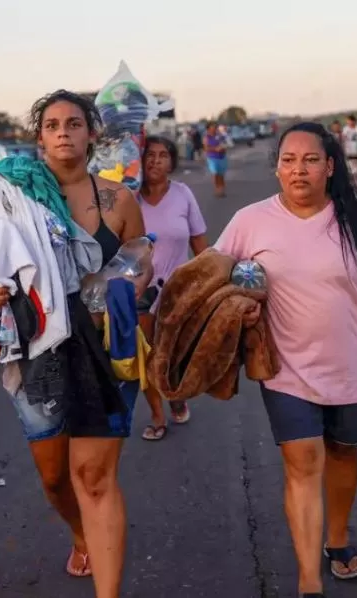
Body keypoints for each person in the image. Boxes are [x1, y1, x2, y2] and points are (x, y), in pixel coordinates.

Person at [213, 122, 357, 598]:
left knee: (342, 451)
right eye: (289, 160)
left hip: (348, 364)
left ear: (330, 167)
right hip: (284, 367)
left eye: (310, 160)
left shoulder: (356, 220)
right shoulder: (251, 221)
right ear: (277, 168)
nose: (299, 170)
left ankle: (338, 538)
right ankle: (309, 580)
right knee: (303, 461)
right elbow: (212, 276)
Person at [0, 89, 150, 598]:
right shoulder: (7, 196)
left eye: (73, 123)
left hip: (106, 349)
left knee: (93, 476)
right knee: (54, 479)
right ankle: (80, 532)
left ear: (92, 132)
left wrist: (133, 284)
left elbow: (139, 253)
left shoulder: (119, 199)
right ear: (40, 137)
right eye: (52, 125)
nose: (63, 132)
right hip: (38, 351)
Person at [137, 135, 209, 440]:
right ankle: (156, 415)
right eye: (149, 155)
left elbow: (200, 245)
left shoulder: (182, 194)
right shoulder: (128, 196)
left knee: (174, 353)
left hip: (177, 290)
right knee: (148, 354)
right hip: (139, 290)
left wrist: (208, 284)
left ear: (172, 162)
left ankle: (175, 393)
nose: (155, 161)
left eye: (163, 155)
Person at [204, 121, 228, 197]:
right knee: (215, 174)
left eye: (215, 127)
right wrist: (215, 149)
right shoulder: (206, 137)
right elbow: (206, 148)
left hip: (221, 157)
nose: (214, 129)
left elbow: (225, 144)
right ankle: (217, 189)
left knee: (221, 175)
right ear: (208, 129)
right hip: (212, 157)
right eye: (212, 127)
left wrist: (223, 148)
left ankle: (222, 190)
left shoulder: (219, 136)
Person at [340, 115, 357, 185]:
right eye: (348, 121)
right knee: (351, 165)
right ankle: (355, 180)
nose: (349, 123)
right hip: (349, 150)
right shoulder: (346, 129)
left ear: (354, 121)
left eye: (350, 121)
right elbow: (343, 136)